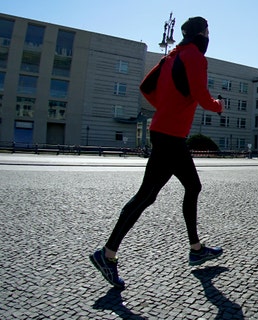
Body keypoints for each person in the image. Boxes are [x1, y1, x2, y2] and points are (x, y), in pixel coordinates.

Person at [89, 17, 225, 289]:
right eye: (208, 31)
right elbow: (201, 94)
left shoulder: (170, 58)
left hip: (164, 132)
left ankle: (195, 248)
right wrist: (218, 106)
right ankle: (107, 253)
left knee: (173, 190)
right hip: (171, 136)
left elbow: (145, 88)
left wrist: (165, 106)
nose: (209, 36)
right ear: (201, 34)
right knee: (149, 195)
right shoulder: (195, 57)